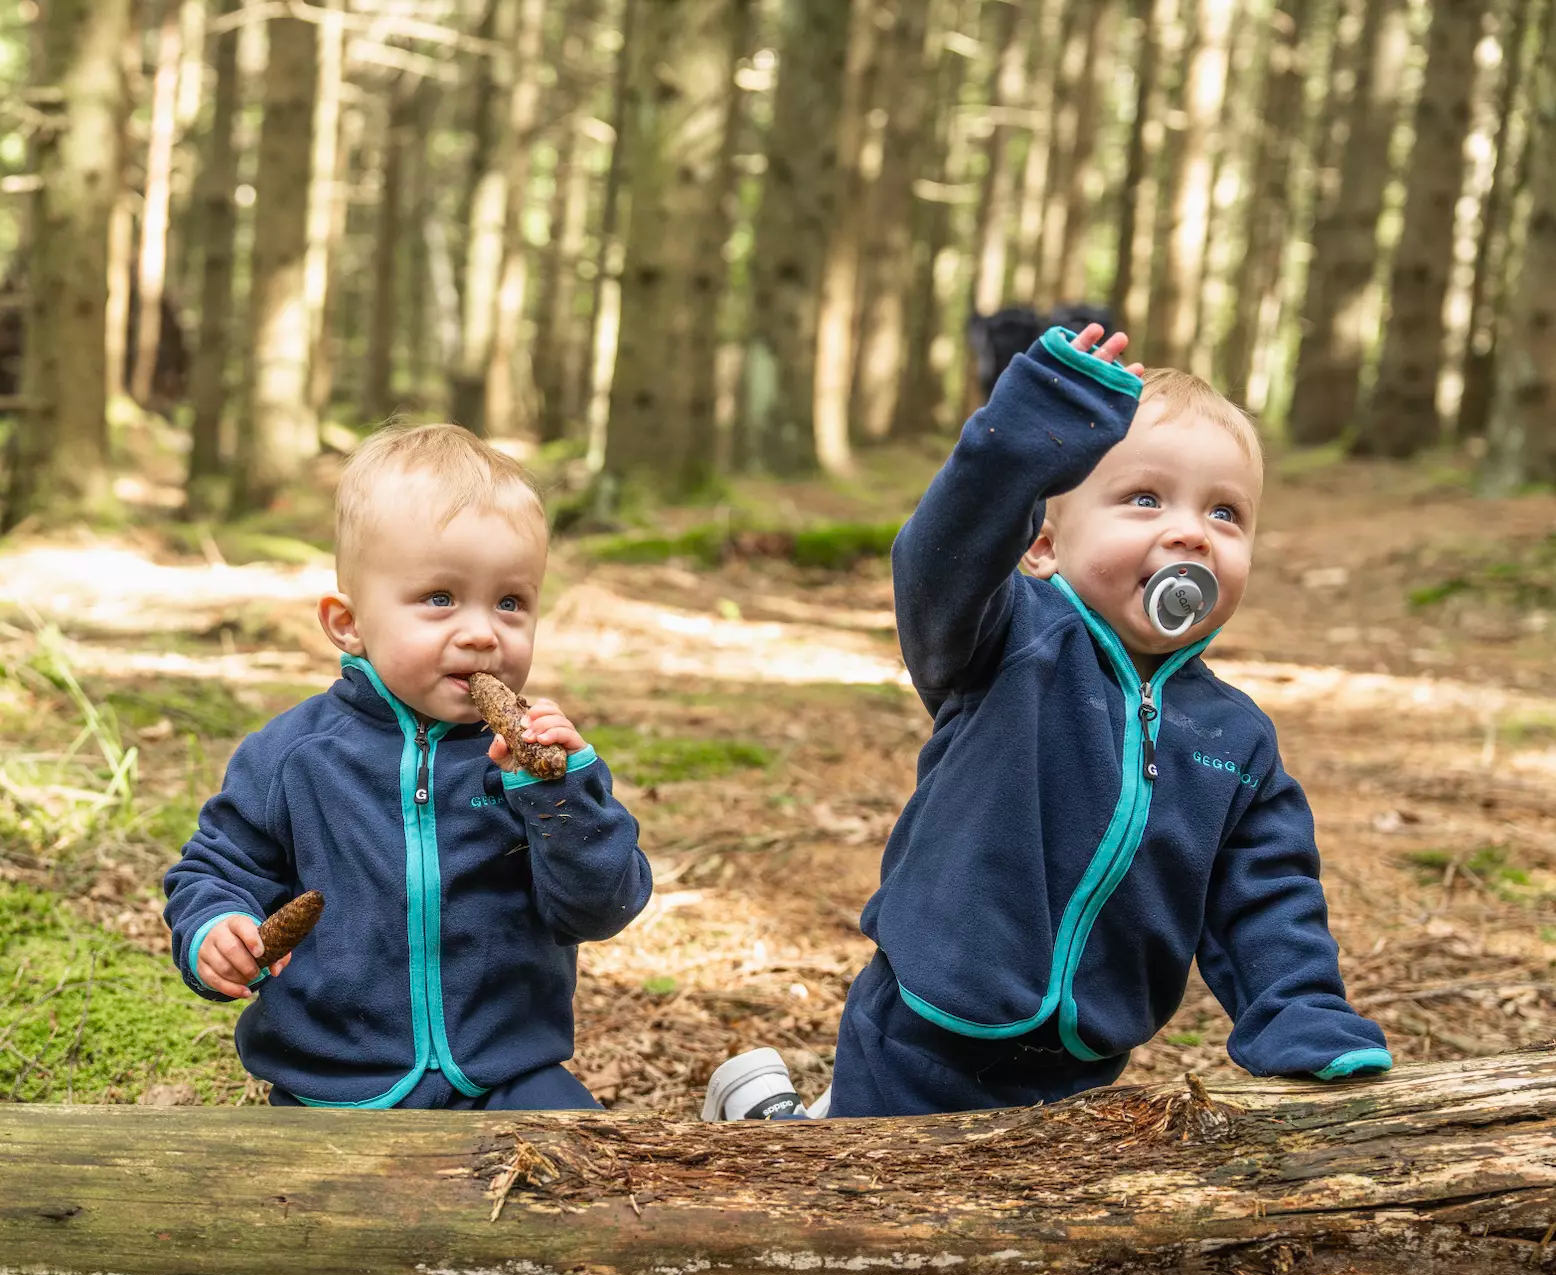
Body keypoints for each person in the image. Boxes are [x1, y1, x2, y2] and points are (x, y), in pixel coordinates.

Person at [705, 323, 1389, 1121]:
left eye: (1227, 514)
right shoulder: (1007, 641)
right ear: (1041, 544)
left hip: (1083, 1065)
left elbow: (1266, 897)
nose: (1190, 532)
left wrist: (1298, 1011)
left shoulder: (1236, 740)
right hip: (923, 1034)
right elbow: (942, 556)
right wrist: (1020, 441)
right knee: (858, 1209)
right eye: (1145, 498)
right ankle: (775, 1128)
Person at [165, 423, 652, 1109]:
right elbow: (215, 870)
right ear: (349, 622)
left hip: (507, 1075)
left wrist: (563, 797)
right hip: (328, 1081)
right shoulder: (293, 757)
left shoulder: (540, 766)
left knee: (595, 1193)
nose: (483, 631)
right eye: (440, 599)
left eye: (511, 602)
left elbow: (603, 909)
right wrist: (215, 929)